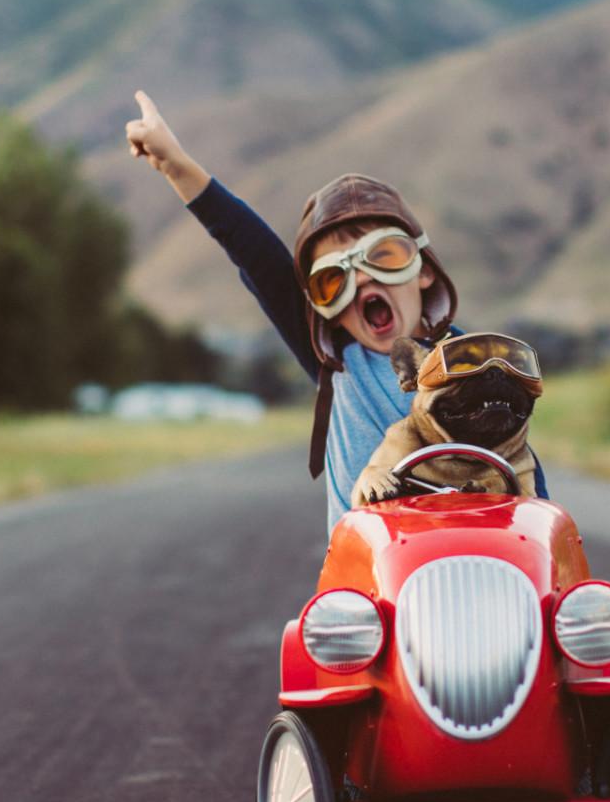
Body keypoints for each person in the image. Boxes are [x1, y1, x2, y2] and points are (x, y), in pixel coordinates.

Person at [124, 91, 547, 532]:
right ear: (322, 306)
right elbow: (256, 255)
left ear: (423, 269)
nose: (363, 280)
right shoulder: (338, 360)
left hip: (474, 562)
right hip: (367, 583)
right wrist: (175, 164)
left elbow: (522, 470)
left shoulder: (475, 365)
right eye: (333, 280)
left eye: (384, 256)